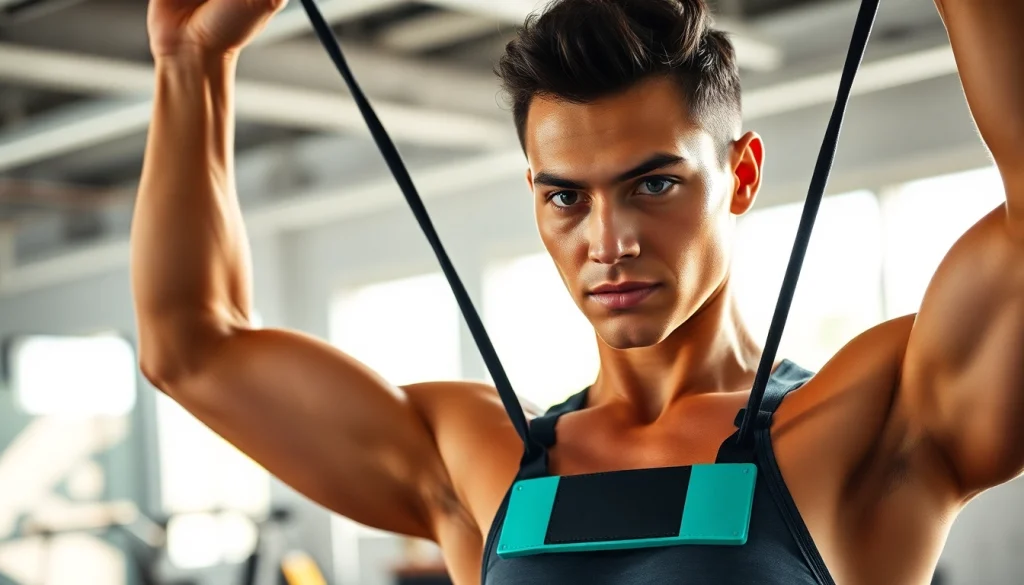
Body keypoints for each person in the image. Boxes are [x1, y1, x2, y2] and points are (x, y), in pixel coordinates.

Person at [131, 0, 1024, 583]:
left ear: (741, 175)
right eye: (566, 195)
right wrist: (192, 60)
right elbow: (192, 346)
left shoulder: (870, 420)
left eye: (655, 183)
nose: (610, 240)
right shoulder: (475, 457)